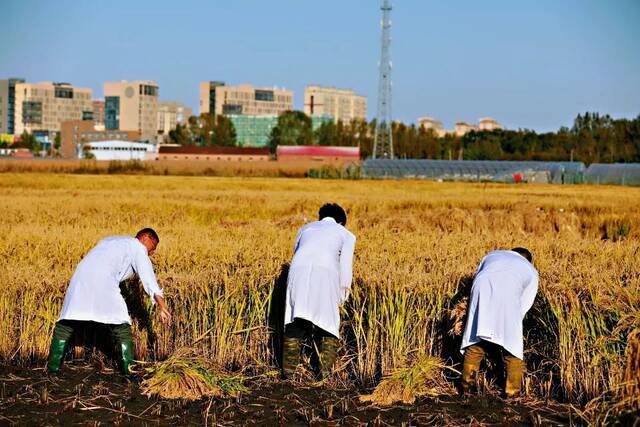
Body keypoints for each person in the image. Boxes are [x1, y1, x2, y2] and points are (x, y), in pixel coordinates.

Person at [47, 228, 172, 375]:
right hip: (103, 281)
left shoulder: (111, 240)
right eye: (153, 247)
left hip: (79, 278)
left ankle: (52, 371)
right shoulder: (138, 248)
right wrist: (162, 306)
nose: (152, 252)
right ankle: (128, 372)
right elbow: (150, 282)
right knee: (122, 326)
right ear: (145, 238)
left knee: (66, 324)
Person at [282, 203, 356, 380]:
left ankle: (288, 376)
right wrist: (343, 294)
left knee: (295, 321)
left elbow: (297, 252)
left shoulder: (305, 228)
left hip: (297, 272)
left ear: (320, 217)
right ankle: (324, 376)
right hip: (326, 275)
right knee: (328, 324)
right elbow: (345, 268)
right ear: (341, 221)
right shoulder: (346, 234)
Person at [460, 247, 539, 398]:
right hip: (509, 295)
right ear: (528, 259)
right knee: (513, 348)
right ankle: (512, 393)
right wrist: (511, 323)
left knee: (476, 341)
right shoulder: (531, 270)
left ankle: (466, 388)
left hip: (481, 289)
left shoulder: (492, 255)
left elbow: (479, 277)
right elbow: (525, 303)